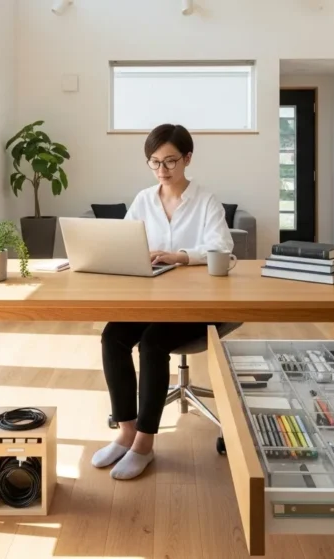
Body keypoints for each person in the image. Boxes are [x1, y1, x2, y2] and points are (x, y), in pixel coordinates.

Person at [91, 123, 234, 480]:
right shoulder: (143, 200)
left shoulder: (205, 200)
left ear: (187, 158)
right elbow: (123, 241)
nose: (162, 171)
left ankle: (144, 444)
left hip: (198, 304)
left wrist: (180, 256)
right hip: (152, 299)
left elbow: (223, 249)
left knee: (153, 343)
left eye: (170, 161)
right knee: (113, 337)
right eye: (154, 162)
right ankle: (126, 431)